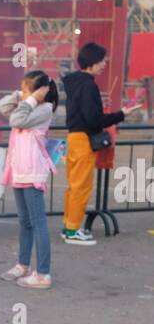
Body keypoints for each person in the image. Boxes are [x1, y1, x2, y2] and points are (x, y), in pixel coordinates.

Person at [61, 42, 133, 244]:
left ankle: (69, 226)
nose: (104, 64)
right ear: (92, 62)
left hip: (74, 138)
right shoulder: (88, 85)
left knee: (73, 186)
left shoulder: (74, 83)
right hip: (84, 140)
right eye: (102, 61)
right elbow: (94, 119)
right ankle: (73, 230)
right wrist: (121, 115)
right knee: (81, 187)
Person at [0, 70, 58, 290]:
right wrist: (20, 95)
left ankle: (43, 273)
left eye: (25, 88)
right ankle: (23, 265)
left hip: (32, 172)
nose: (22, 93)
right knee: (25, 221)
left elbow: (16, 119)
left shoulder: (43, 109)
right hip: (19, 171)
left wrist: (32, 98)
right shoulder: (29, 105)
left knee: (38, 222)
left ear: (40, 92)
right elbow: (2, 107)